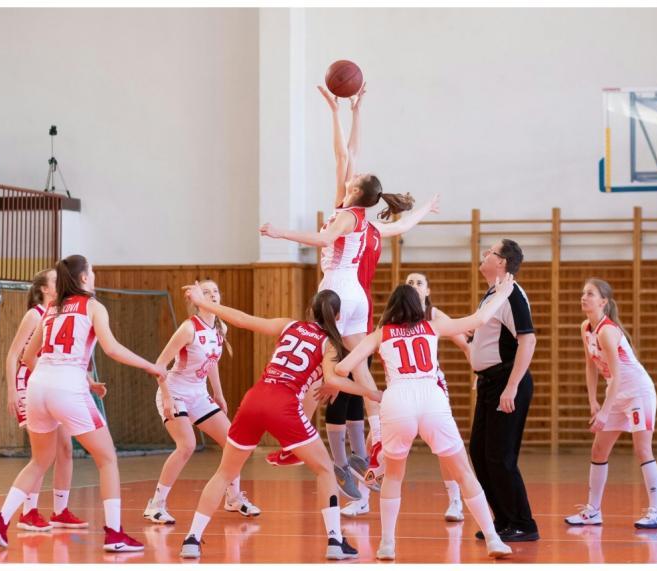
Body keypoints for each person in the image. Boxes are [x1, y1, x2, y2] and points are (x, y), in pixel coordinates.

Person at [259, 83, 436, 499]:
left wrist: (278, 232)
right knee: (358, 367)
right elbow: (347, 156)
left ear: (355, 191)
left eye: (353, 179)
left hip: (336, 291)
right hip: (358, 296)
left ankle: (294, 440)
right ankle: (377, 440)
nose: (348, 172)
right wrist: (346, 111)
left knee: (313, 366)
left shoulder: (347, 216)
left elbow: (323, 242)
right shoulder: (371, 221)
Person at [178, 284, 381, 561]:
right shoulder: (329, 344)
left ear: (310, 310)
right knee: (324, 469)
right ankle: (335, 541)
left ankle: (192, 539)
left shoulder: (290, 325)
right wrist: (371, 392)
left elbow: (244, 320)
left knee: (224, 472)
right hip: (283, 405)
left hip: (254, 398)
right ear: (338, 316)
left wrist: (205, 303)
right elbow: (334, 380)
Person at [0, 255, 166, 552]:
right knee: (107, 458)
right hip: (66, 388)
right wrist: (150, 366)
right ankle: (115, 534)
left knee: (39, 460)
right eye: (92, 271)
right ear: (83, 278)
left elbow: (28, 358)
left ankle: (0, 522)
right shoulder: (93, 306)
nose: (93, 276)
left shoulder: (51, 309)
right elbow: (112, 348)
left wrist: (69, 375)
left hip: (37, 386)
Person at [334, 279, 518, 560]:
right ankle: (493, 539)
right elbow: (479, 319)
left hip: (397, 400)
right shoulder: (432, 326)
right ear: (417, 306)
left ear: (392, 307)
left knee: (393, 476)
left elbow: (343, 367)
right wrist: (503, 293)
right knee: (464, 473)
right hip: (431, 397)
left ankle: (387, 544)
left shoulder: (381, 334)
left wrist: (342, 369)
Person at [143, 279, 260, 525]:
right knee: (186, 446)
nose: (213, 295)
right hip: (174, 391)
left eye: (215, 291)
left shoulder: (221, 328)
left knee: (234, 442)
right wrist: (166, 397)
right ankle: (156, 504)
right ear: (196, 300)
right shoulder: (188, 329)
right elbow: (159, 366)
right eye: (206, 292)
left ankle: (234, 497)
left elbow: (212, 363)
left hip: (199, 393)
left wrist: (218, 394)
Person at [564, 278, 657, 529]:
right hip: (615, 393)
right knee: (598, 451)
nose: (583, 297)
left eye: (590, 293)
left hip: (637, 393)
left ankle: (656, 512)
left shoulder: (608, 331)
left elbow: (618, 375)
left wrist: (606, 411)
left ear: (604, 302)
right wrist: (593, 401)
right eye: (582, 293)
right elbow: (591, 365)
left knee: (643, 450)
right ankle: (593, 511)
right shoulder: (586, 327)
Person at [5, 268, 96, 532]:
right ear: (45, 289)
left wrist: (89, 383)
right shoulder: (35, 315)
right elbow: (13, 355)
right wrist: (11, 390)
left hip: (56, 384)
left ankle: (60, 510)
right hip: (31, 383)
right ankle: (28, 511)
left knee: (65, 449)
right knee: (42, 454)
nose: (62, 283)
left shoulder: (64, 312)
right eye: (56, 281)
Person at [468, 239, 538, 542]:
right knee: (480, 454)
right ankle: (503, 519)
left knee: (500, 456)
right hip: (489, 383)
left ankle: (524, 523)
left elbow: (528, 340)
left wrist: (510, 386)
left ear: (503, 263)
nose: (484, 254)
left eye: (490, 252)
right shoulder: (493, 294)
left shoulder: (511, 295)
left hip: (507, 383)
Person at [405, 271, 470, 521]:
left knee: (444, 447)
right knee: (375, 439)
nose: (413, 285)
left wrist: (480, 371)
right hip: (403, 388)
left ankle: (455, 500)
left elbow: (464, 343)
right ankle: (363, 499)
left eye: (419, 282)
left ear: (427, 291)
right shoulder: (393, 315)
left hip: (432, 386)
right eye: (409, 282)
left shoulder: (433, 315)